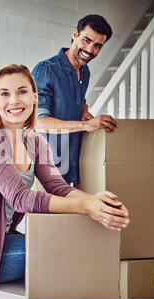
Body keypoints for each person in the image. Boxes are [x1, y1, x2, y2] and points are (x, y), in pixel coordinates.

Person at [0, 64, 130, 299]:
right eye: (5, 94)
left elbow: (58, 187)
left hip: (6, 240)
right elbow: (21, 198)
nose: (14, 101)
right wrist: (85, 206)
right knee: (68, 244)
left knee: (79, 236)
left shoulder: (35, 142)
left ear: (34, 97)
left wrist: (93, 200)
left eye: (22, 91)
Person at [32, 14, 117, 185]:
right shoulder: (46, 70)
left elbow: (75, 100)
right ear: (75, 34)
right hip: (46, 169)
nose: (90, 50)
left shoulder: (85, 72)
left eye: (97, 46)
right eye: (86, 40)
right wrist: (86, 125)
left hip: (71, 165)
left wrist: (84, 110)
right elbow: (39, 122)